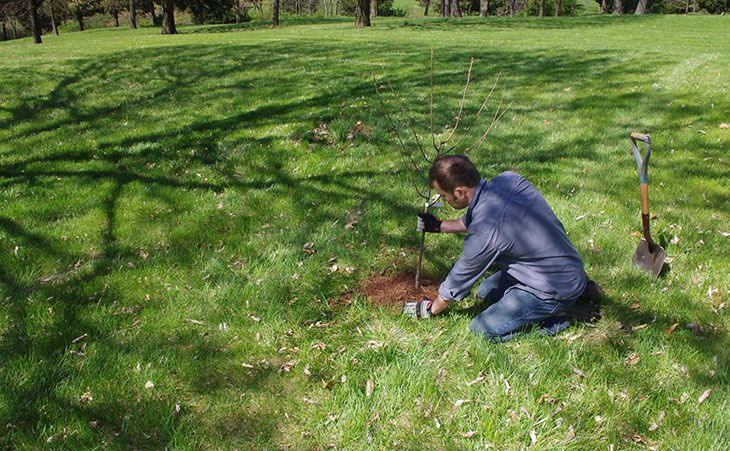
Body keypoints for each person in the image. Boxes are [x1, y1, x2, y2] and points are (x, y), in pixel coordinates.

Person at [405, 155, 601, 341]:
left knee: (483, 329)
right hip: (563, 266)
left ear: (459, 192)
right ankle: (582, 289)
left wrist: (432, 308)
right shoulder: (509, 181)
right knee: (485, 291)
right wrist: (439, 226)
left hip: (552, 288)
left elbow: (461, 275)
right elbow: (478, 219)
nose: (444, 200)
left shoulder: (486, 229)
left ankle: (563, 316)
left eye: (443, 195)